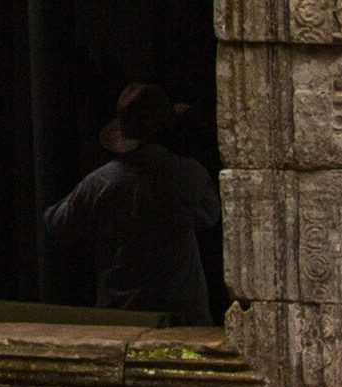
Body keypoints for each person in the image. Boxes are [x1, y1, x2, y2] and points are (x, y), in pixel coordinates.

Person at [39, 81, 219, 321]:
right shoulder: (189, 174)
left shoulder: (100, 182)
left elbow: (57, 224)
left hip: (122, 314)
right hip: (182, 312)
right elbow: (211, 216)